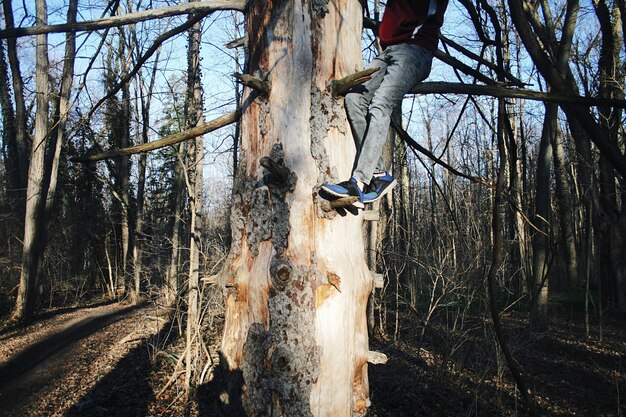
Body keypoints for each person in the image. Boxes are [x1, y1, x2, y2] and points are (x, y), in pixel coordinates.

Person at [321, 0, 448, 209]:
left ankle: (359, 182)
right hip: (388, 52)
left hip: (415, 51)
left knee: (380, 104)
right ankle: (380, 174)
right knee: (354, 99)